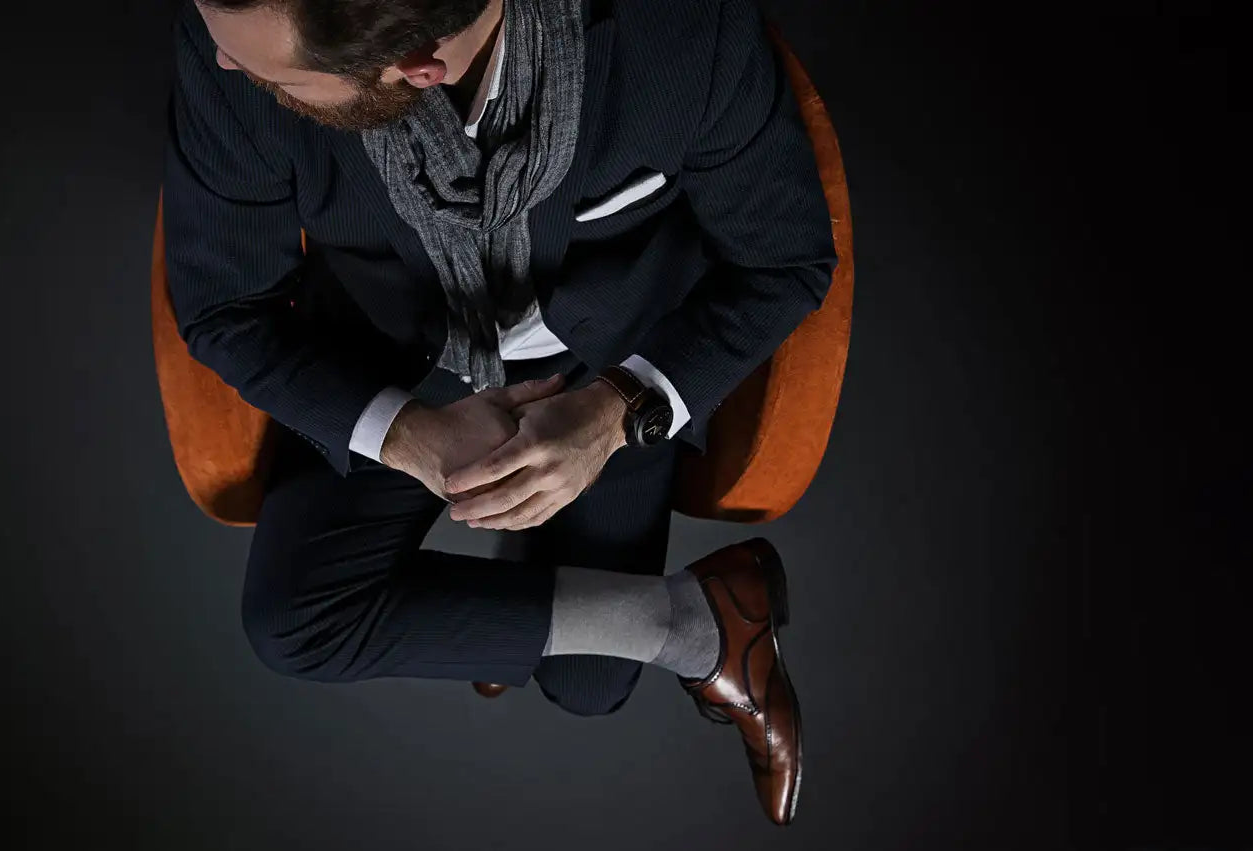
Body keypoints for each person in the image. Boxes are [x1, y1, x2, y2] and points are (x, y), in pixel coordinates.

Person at [163, 0, 836, 824]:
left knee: (589, 687)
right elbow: (224, 304)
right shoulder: (233, 28)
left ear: (417, 65)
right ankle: (704, 619)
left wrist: (614, 414)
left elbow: (785, 259)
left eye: (281, 78)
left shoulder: (681, 30)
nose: (229, 68)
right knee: (292, 624)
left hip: (604, 357)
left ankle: (523, 606)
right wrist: (408, 435)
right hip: (399, 350)